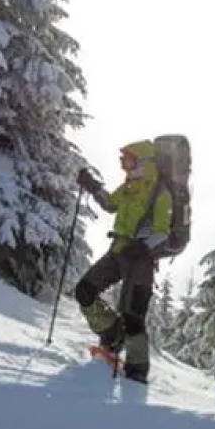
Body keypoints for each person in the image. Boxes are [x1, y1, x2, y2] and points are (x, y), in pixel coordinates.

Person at [72, 139, 174, 383]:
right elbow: (110, 204)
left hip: (140, 261)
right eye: (123, 161)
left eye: (129, 161)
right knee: (84, 291)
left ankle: (137, 374)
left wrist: (142, 247)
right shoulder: (129, 187)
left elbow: (163, 231)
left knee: (133, 315)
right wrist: (93, 186)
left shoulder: (161, 193)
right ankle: (112, 334)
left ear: (143, 162)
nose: (125, 166)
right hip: (117, 252)